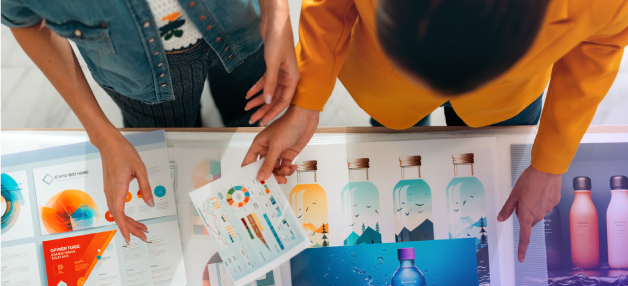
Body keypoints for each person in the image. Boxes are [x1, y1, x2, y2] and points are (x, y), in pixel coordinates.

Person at [243, 0, 628, 260]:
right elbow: (330, 4)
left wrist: (550, 162)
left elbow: (602, 41)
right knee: (393, 152)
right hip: (388, 88)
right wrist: (307, 101)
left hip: (507, 97)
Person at [0, 0, 299, 244]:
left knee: (251, 124)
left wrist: (277, 14)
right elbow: (24, 19)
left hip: (244, 29)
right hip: (142, 79)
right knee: (178, 160)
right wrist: (101, 134)